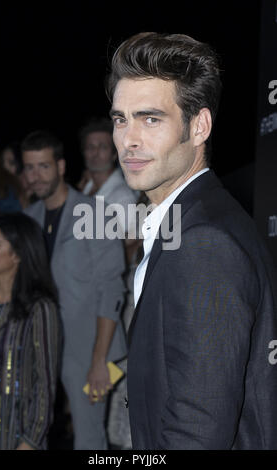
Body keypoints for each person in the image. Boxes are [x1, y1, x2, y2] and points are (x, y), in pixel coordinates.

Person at [106, 32, 277, 449]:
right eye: (120, 119)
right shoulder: (189, 223)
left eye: (150, 119)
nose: (129, 139)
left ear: (198, 126)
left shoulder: (205, 244)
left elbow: (199, 430)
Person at [22, 130, 127, 450]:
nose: (36, 176)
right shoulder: (29, 218)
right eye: (29, 168)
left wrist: (98, 362)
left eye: (44, 166)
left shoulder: (96, 214)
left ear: (61, 166)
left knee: (89, 439)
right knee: (33, 431)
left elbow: (110, 290)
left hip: (93, 349)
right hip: (44, 346)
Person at [0, 212, 61, 450]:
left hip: (18, 431)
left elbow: (45, 385)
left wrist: (30, 442)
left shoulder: (40, 310)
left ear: (18, 254)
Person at [77, 118, 139, 244]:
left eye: (103, 147)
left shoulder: (123, 196)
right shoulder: (84, 188)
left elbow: (126, 246)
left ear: (114, 154)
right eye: (90, 147)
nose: (95, 152)